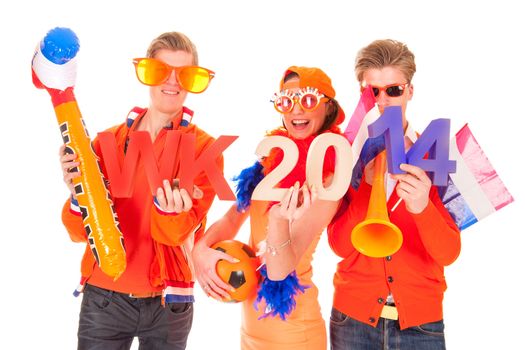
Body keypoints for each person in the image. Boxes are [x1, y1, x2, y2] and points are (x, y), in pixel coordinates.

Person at [60, 31, 221, 350]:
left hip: (169, 307)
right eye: (162, 71)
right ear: (147, 74)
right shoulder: (106, 143)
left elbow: (176, 235)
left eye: (184, 74)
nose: (172, 82)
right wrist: (80, 196)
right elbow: (79, 233)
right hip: (104, 300)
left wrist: (171, 213)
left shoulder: (205, 150)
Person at [192, 66, 346, 349]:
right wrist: (200, 249)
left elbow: (279, 270)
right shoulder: (273, 160)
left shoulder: (329, 179)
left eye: (308, 100)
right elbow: (232, 218)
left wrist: (277, 219)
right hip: (250, 326)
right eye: (287, 101)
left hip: (293, 330)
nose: (296, 110)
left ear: (328, 107)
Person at [327, 39, 461, 349]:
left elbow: (449, 253)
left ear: (410, 90)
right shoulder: (349, 155)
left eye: (394, 90)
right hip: (353, 320)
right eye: (373, 91)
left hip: (420, 325)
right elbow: (340, 245)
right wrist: (367, 188)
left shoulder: (434, 154)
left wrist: (422, 206)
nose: (383, 101)